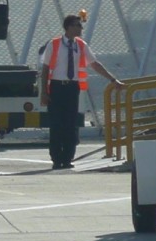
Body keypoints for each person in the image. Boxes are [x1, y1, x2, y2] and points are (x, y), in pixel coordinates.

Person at [39, 13, 123, 169]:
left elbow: (95, 64)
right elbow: (45, 68)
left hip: (72, 88)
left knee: (71, 124)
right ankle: (57, 159)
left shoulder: (81, 45)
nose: (81, 28)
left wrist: (112, 79)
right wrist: (44, 91)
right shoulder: (54, 44)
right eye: (78, 25)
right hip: (56, 87)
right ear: (69, 27)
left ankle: (68, 158)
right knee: (57, 125)